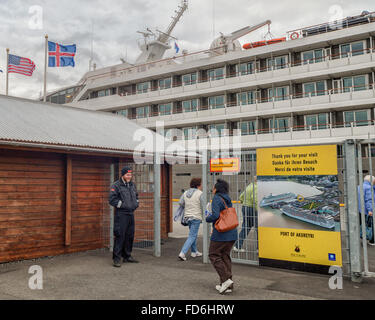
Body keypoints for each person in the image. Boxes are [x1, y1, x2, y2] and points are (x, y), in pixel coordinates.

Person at [206, 179, 238, 294]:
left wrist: (207, 218)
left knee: (213, 254)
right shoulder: (227, 199)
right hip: (232, 232)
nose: (212, 189)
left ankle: (225, 280)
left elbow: (214, 215)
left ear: (217, 189)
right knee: (225, 256)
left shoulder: (216, 198)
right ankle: (228, 285)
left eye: (213, 187)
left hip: (221, 233)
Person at [109, 166, 140, 267]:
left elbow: (136, 196)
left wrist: (136, 204)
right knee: (120, 235)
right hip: (121, 215)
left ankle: (127, 256)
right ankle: (116, 259)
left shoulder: (132, 185)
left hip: (131, 214)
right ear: (123, 175)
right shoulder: (116, 185)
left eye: (130, 175)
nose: (129, 176)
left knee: (130, 235)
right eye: (127, 175)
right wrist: (122, 205)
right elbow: (112, 200)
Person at [178, 178, 205, 261]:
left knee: (193, 235)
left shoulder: (185, 193)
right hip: (196, 217)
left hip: (187, 217)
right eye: (201, 184)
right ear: (198, 185)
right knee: (192, 236)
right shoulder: (200, 193)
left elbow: (180, 202)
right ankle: (182, 253)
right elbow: (203, 206)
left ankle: (194, 251)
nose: (202, 185)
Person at [234, 177, 258, 252]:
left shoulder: (249, 186)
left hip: (245, 207)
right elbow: (255, 199)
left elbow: (241, 196)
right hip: (252, 208)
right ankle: (259, 248)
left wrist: (244, 203)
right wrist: (259, 210)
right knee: (258, 228)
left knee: (246, 227)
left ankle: (237, 246)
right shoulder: (256, 187)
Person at [358, 175, 375, 245]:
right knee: (370, 226)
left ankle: (363, 238)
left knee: (362, 225)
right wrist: (370, 210)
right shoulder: (368, 188)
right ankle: (371, 240)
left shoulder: (359, 187)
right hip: (366, 210)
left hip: (360, 210)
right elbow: (369, 200)